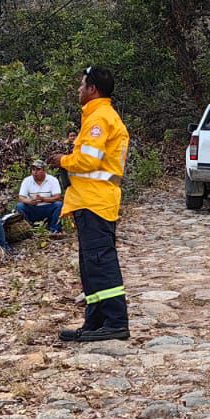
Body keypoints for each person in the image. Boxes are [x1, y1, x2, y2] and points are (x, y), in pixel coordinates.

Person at [58, 66, 130, 342]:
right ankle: (96, 320)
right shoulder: (98, 116)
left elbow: (88, 161)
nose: (78, 90)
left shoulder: (99, 118)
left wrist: (62, 160)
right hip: (91, 199)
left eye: (81, 85)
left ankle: (115, 321)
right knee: (91, 264)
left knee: (100, 261)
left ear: (93, 90)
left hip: (95, 200)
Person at [16, 158, 64, 232]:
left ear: (44, 170)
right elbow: (21, 197)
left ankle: (54, 229)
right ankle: (28, 229)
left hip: (47, 208)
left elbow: (57, 197)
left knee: (58, 205)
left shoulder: (52, 180)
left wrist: (43, 199)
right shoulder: (27, 180)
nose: (35, 172)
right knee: (20, 206)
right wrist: (30, 201)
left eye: (38, 169)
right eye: (33, 169)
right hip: (33, 208)